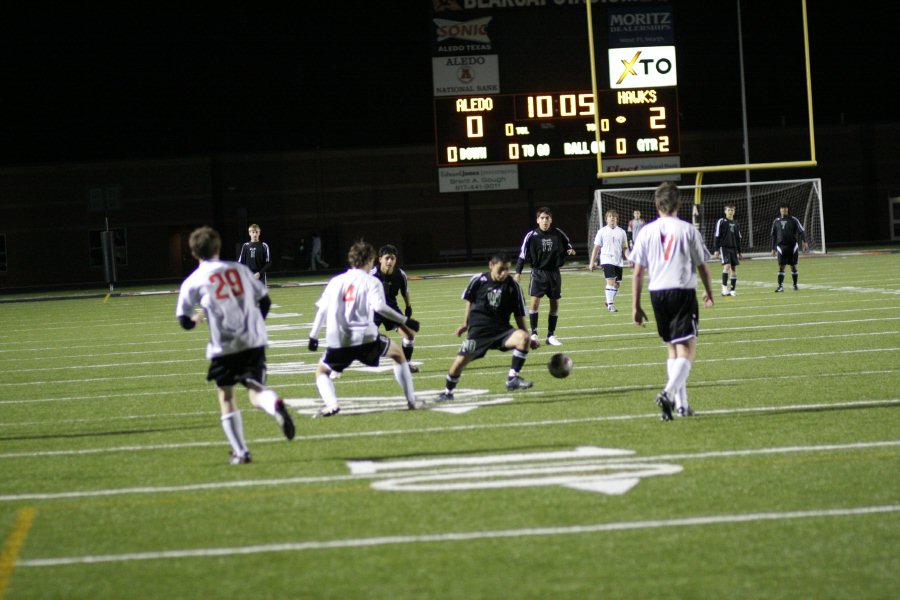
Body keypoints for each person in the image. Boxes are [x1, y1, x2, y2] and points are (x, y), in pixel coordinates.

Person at [176, 226, 295, 465]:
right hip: (253, 340)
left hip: (224, 345)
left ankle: (241, 452)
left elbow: (183, 321)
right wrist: (256, 324)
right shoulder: (240, 270)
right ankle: (275, 405)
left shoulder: (193, 280)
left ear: (194, 253)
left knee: (227, 396)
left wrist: (196, 320)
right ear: (218, 248)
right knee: (255, 390)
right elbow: (266, 300)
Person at [307, 240, 423, 417]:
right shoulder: (372, 281)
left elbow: (322, 309)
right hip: (366, 338)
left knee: (322, 371)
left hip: (339, 340)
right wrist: (406, 319)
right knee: (398, 355)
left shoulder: (336, 281)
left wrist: (313, 336)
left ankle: (331, 405)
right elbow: (380, 307)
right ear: (370, 260)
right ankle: (411, 401)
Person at [631, 182, 715, 421]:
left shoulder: (646, 231)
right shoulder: (688, 230)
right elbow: (703, 268)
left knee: (672, 348)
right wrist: (709, 292)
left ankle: (682, 405)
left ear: (656, 204)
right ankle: (668, 393)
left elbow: (637, 273)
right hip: (682, 292)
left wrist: (635, 306)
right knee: (688, 350)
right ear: (679, 204)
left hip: (657, 293)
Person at [437, 253, 539, 401]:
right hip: (478, 333)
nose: (504, 273)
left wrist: (529, 337)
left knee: (523, 338)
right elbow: (469, 301)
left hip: (502, 332)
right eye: (500, 269)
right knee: (459, 362)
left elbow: (518, 315)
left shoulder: (513, 286)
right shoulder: (479, 280)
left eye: (507, 270)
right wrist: (465, 324)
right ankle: (447, 392)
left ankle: (512, 378)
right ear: (491, 265)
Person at [513, 207, 576, 346]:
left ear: (551, 220)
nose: (545, 221)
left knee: (554, 304)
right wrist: (518, 273)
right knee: (535, 303)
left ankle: (551, 335)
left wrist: (570, 250)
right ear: (537, 220)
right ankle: (534, 334)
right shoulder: (531, 235)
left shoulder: (557, 233)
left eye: (547, 218)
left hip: (554, 272)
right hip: (538, 273)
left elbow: (568, 244)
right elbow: (522, 255)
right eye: (542, 218)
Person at [370, 244, 419, 373]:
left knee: (409, 334)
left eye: (392, 258)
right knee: (362, 341)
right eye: (387, 258)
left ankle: (406, 364)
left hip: (391, 310)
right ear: (380, 259)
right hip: (373, 311)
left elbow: (405, 291)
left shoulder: (400, 274)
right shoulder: (371, 275)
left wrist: (408, 307)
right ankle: (336, 365)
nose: (389, 261)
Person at [589, 209, 629, 312]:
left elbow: (625, 247)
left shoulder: (622, 232)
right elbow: (596, 248)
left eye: (614, 216)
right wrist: (592, 262)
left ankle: (608, 300)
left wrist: (630, 258)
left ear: (617, 219)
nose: (612, 218)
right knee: (610, 281)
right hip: (607, 259)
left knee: (617, 284)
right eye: (610, 216)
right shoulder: (602, 231)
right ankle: (611, 305)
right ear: (606, 219)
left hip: (618, 261)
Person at [771, 204, 808, 291]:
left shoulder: (793, 220)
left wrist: (804, 241)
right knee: (781, 266)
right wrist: (773, 248)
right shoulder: (776, 221)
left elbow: (801, 231)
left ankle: (795, 285)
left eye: (785, 208)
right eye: (782, 208)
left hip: (792, 246)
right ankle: (780, 287)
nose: (784, 210)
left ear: (788, 209)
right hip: (781, 247)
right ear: (780, 210)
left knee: (793, 266)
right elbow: (773, 235)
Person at [713, 204, 743, 296]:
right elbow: (717, 235)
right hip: (724, 248)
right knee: (727, 266)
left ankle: (732, 290)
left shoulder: (736, 223)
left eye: (732, 210)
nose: (730, 212)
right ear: (725, 211)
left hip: (733, 248)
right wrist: (716, 249)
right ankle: (724, 290)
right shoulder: (721, 221)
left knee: (734, 270)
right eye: (729, 210)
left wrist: (739, 251)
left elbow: (738, 238)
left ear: (734, 211)